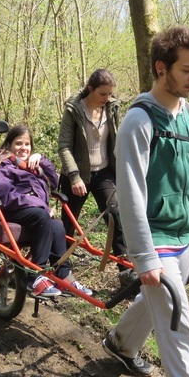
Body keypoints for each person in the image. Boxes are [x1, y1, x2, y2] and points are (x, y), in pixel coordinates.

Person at [102, 25, 189, 377]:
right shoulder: (139, 120)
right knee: (178, 324)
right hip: (155, 237)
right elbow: (130, 193)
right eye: (186, 69)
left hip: (185, 236)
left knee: (159, 303)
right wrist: (145, 257)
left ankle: (121, 343)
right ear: (161, 68)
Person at [0, 124, 92, 298]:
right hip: (4, 208)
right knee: (42, 217)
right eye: (18, 143)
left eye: (27, 144)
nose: (23, 148)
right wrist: (41, 205)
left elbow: (53, 182)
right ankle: (34, 276)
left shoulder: (30, 165)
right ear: (8, 144)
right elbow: (4, 193)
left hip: (29, 209)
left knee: (58, 225)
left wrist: (42, 160)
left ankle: (63, 274)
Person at [58, 69, 133, 286]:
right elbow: (64, 147)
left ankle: (125, 272)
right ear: (90, 89)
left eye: (110, 94)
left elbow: (117, 140)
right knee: (68, 224)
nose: (107, 98)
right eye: (102, 94)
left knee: (116, 217)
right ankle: (61, 268)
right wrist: (74, 177)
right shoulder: (74, 110)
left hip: (105, 173)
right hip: (77, 175)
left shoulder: (111, 108)